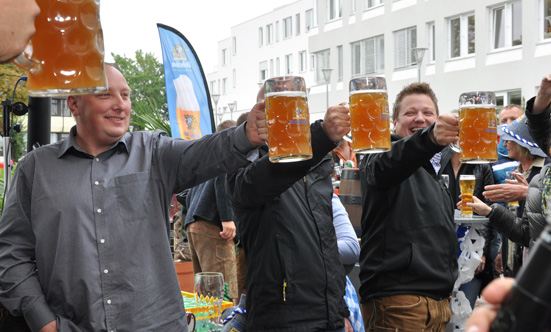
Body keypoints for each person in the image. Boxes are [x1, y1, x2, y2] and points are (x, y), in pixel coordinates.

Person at [0, 64, 264, 332]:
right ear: (74, 104)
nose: (120, 105)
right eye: (106, 95)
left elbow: (205, 153)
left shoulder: (154, 153)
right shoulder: (35, 169)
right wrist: (43, 321)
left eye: (125, 95)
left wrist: (245, 135)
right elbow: (11, 253)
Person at [225, 85, 352, 330]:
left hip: (328, 316)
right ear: (259, 114)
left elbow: (326, 242)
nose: (287, 116)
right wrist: (322, 136)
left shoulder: (319, 162)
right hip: (281, 318)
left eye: (294, 106)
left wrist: (340, 311)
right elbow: (264, 179)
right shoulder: (245, 163)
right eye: (275, 106)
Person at [359, 82, 459, 331]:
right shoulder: (379, 153)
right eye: (410, 113)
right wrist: (430, 139)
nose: (420, 119)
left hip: (437, 304)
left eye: (428, 113)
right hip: (399, 303)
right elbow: (385, 167)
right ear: (394, 121)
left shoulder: (434, 170)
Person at [465, 73, 551, 332]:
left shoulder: (538, 176)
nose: (505, 140)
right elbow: (528, 233)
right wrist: (491, 210)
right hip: (537, 281)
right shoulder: (542, 176)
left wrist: (529, 195)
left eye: (511, 133)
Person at [184, 119, 239, 303]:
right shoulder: (228, 152)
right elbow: (221, 179)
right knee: (221, 292)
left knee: (204, 292)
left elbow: (186, 193)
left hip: (194, 224)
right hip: (213, 225)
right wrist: (227, 218)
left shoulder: (207, 158)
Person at [440, 150, 496, 309]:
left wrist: (483, 252)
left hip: (472, 246)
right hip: (441, 247)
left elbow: (488, 209)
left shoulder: (482, 165)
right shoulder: (437, 163)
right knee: (443, 311)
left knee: (465, 308)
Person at [487, 105, 524, 276]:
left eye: (514, 119)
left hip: (527, 225)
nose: (508, 124)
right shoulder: (491, 155)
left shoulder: (536, 153)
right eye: (504, 121)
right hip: (501, 227)